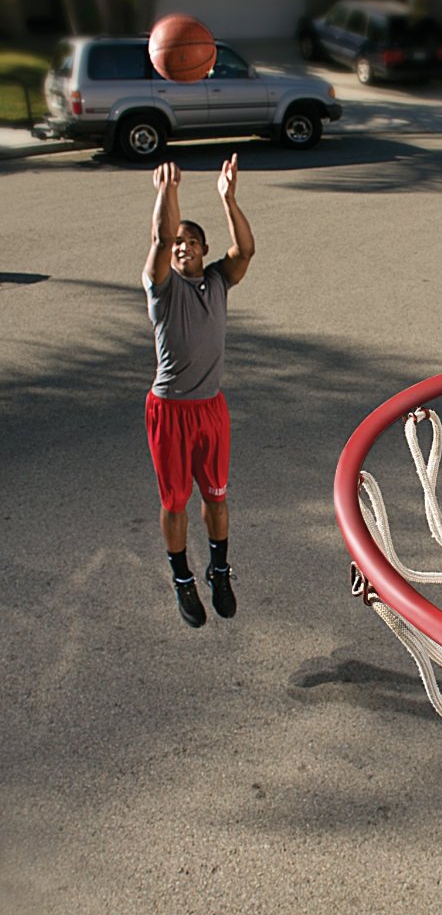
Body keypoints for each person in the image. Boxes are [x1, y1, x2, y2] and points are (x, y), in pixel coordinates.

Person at [142, 154, 255, 627]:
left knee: (216, 498)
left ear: (205, 249)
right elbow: (160, 237)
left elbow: (245, 251)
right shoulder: (162, 288)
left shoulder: (216, 282)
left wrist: (228, 199)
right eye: (178, 243)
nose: (182, 246)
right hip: (170, 411)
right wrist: (167, 193)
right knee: (174, 503)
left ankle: (219, 570)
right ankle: (182, 578)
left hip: (211, 409)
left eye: (191, 241)